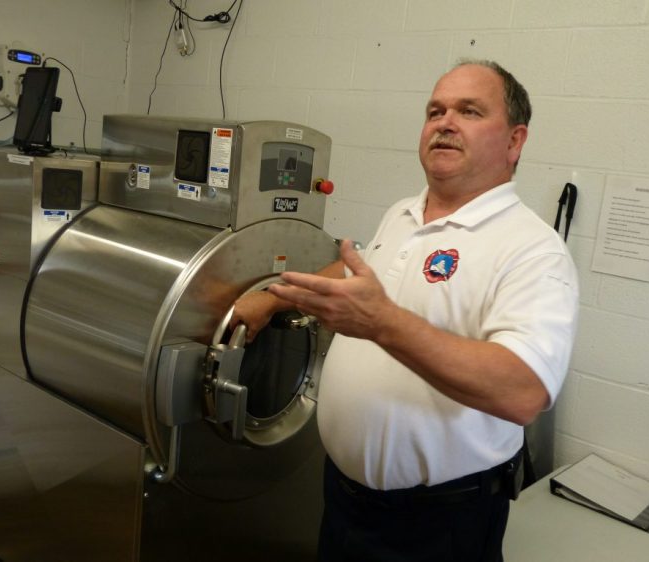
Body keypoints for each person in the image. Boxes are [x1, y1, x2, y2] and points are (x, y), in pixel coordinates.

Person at [232, 59, 579, 561]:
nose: (444, 121)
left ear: (514, 141)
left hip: (438, 525)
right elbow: (355, 278)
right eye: (435, 110)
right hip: (344, 501)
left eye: (470, 111)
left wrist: (382, 324)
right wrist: (272, 298)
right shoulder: (404, 212)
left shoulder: (531, 249)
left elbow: (523, 391)